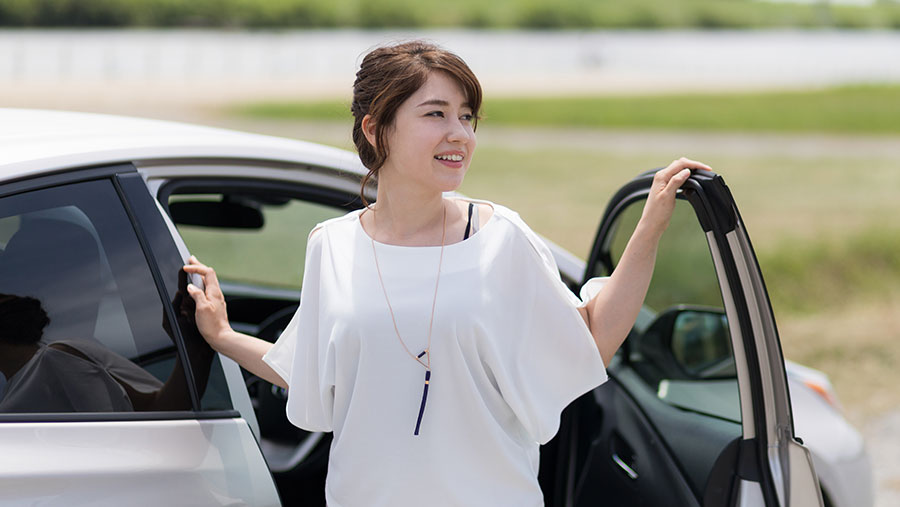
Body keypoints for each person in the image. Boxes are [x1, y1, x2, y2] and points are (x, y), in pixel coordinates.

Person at [183, 40, 712, 506]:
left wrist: (649, 228)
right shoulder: (332, 246)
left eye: (467, 116)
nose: (459, 133)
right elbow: (309, 372)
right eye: (435, 114)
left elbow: (591, 338)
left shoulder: (499, 238)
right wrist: (224, 338)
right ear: (376, 129)